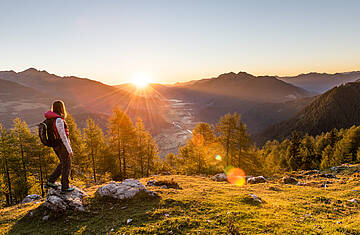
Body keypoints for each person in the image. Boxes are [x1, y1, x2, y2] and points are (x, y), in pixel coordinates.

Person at [44, 100, 74, 192]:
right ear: (62, 108)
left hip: (55, 145)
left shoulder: (50, 119)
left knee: (63, 163)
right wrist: (69, 149)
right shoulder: (58, 120)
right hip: (62, 145)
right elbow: (63, 136)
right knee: (67, 165)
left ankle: (50, 181)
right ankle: (65, 186)